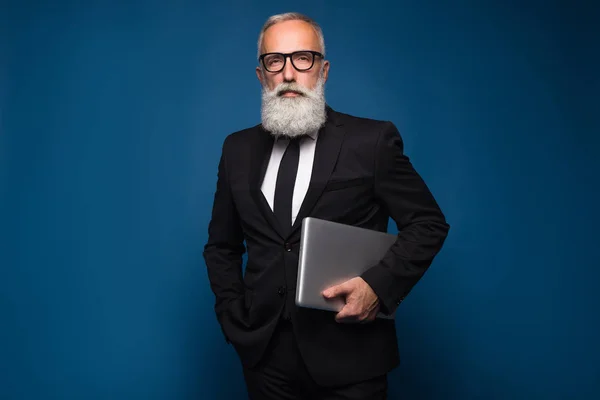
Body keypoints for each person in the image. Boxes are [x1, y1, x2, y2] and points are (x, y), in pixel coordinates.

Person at [203, 12, 450, 400]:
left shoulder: (371, 141)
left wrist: (377, 288)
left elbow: (428, 224)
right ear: (260, 75)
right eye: (275, 61)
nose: (288, 73)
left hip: (351, 358)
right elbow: (222, 247)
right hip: (265, 360)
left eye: (303, 58)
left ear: (324, 69)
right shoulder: (237, 149)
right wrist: (233, 318)